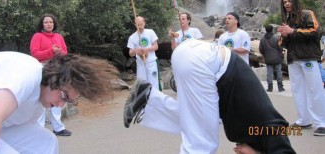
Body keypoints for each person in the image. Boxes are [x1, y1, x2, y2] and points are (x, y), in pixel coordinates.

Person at [123, 39, 296, 154]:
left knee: (195, 121)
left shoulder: (256, 129)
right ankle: (148, 100)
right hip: (206, 63)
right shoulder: (271, 131)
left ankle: (148, 100)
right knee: (201, 143)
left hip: (193, 54)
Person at [0, 52, 117, 153]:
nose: (61, 104)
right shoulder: (26, 72)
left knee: (45, 141)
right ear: (53, 78)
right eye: (64, 96)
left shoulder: (37, 105)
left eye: (69, 101)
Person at [278, 0, 325, 136]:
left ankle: (321, 123)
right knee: (297, 90)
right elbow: (282, 43)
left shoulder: (307, 14)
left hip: (308, 57)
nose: (287, 4)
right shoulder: (287, 20)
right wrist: (284, 36)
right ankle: (303, 120)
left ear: (295, 2)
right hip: (293, 59)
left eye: (289, 1)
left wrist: (293, 31)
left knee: (315, 89)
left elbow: (315, 31)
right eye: (285, 2)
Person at [30, 13, 71, 137]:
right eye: (46, 22)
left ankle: (58, 127)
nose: (49, 24)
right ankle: (39, 129)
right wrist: (51, 51)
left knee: (57, 97)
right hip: (43, 68)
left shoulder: (58, 36)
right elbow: (35, 54)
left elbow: (65, 53)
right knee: (43, 97)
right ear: (42, 24)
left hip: (57, 68)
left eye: (51, 22)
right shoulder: (37, 36)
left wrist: (59, 52)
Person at [127, 16, 160, 90]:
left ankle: (155, 100)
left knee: (154, 84)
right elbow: (130, 53)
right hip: (140, 64)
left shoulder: (150, 32)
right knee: (142, 85)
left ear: (144, 23)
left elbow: (156, 46)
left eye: (141, 24)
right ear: (135, 25)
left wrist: (146, 49)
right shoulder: (132, 37)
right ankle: (145, 101)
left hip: (151, 62)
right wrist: (136, 50)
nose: (140, 26)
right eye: (138, 25)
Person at [259, 25, 285, 92]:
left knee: (269, 73)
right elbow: (280, 47)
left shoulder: (262, 39)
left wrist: (265, 54)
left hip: (268, 58)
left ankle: (270, 87)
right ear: (272, 30)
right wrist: (280, 53)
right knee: (279, 72)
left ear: (265, 30)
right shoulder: (276, 38)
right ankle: (280, 87)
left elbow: (260, 49)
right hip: (277, 58)